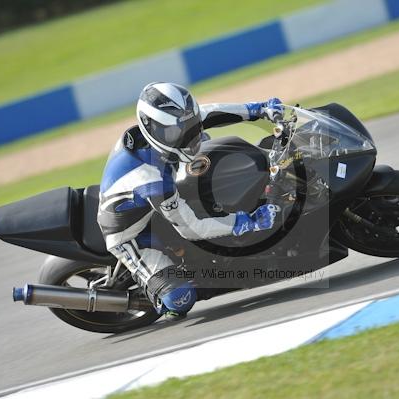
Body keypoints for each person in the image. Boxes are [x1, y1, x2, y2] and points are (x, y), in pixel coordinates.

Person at [97, 82, 283, 320]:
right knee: (180, 299)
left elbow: (213, 111)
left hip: (152, 202)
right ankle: (159, 293)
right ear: (151, 128)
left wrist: (259, 109)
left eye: (190, 126)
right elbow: (192, 228)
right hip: (129, 234)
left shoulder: (172, 124)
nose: (188, 137)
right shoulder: (152, 180)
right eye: (176, 134)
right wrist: (246, 222)